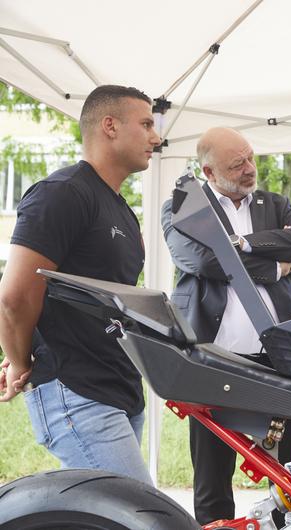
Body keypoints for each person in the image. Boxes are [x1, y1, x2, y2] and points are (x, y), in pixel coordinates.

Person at [0, 85, 161, 484]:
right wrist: (22, 362)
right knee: (142, 520)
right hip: (77, 391)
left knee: (109, 519)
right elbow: (14, 297)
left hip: (118, 387)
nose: (156, 138)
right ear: (109, 126)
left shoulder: (121, 209)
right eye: (145, 124)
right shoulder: (63, 193)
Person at [161, 127, 291, 525]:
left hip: (281, 357)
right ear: (210, 172)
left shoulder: (274, 203)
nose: (250, 169)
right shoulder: (182, 206)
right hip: (215, 359)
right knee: (213, 469)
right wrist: (273, 267)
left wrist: (242, 244)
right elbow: (201, 262)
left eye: (251, 157)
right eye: (238, 164)